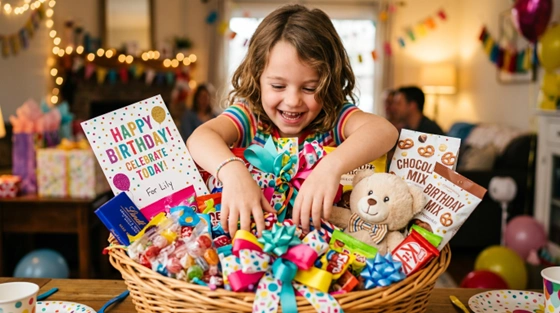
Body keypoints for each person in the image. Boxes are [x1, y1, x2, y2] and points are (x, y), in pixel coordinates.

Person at [187, 4, 398, 237]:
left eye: (310, 88)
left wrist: (331, 167)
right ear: (257, 77)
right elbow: (200, 137)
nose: (293, 101)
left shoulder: (334, 118)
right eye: (278, 86)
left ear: (328, 84)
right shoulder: (250, 116)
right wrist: (233, 173)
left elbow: (384, 130)